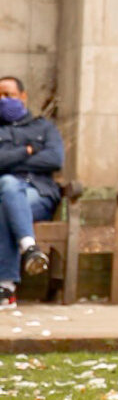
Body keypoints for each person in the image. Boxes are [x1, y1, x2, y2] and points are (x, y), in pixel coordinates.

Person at [0, 77, 64, 307]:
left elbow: (55, 159)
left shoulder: (44, 127)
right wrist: (27, 151)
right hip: (7, 197)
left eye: (8, 95)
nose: (3, 100)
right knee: (7, 190)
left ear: (23, 96)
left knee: (6, 188)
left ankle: (6, 288)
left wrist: (11, 160)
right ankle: (29, 248)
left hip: (39, 195)